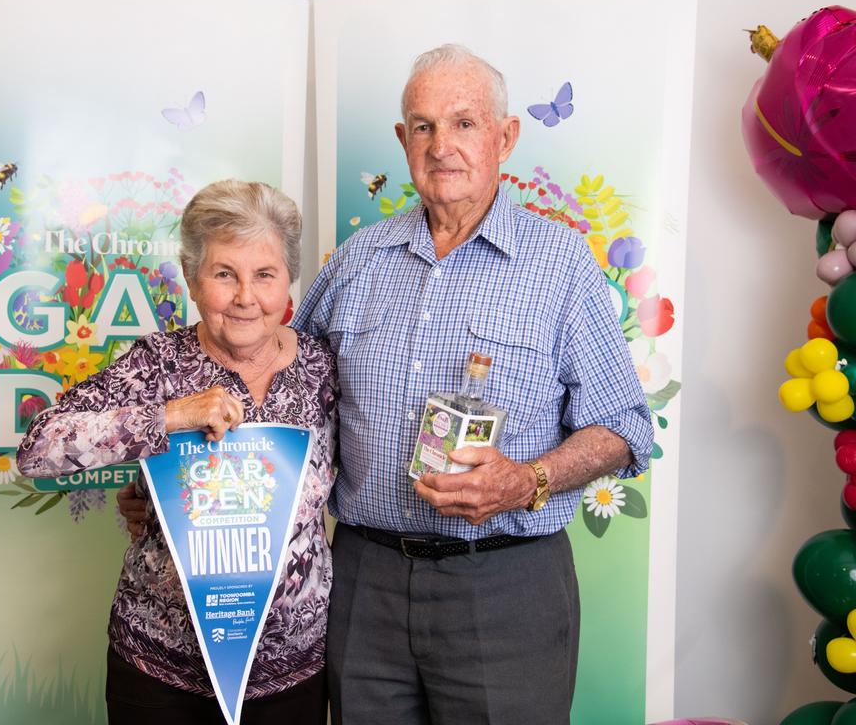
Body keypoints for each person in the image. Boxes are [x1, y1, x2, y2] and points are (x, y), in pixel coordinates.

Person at [122, 44, 653, 724]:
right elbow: (270, 386)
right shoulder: (356, 261)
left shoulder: (560, 265)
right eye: (424, 127)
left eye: (465, 123)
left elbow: (625, 430)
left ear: (506, 135)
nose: (443, 146)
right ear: (404, 141)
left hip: (507, 581)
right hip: (364, 584)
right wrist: (167, 487)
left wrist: (526, 481)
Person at [17, 179, 338, 725]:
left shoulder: (322, 367)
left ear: (288, 282)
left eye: (265, 275)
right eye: (223, 274)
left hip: (292, 674)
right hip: (162, 673)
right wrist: (170, 418)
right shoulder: (157, 364)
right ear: (191, 280)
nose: (245, 297)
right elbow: (37, 449)